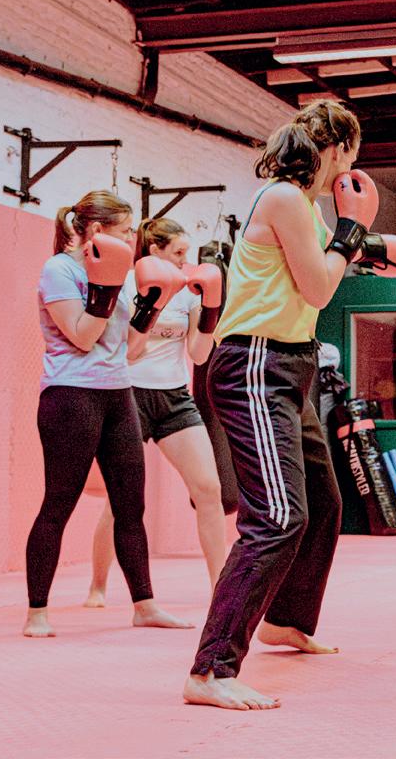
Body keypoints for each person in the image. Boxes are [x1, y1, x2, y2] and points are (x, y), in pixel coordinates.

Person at [183, 100, 396, 711]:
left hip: (291, 364)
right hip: (255, 365)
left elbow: (316, 267)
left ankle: (285, 619)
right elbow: (317, 287)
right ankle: (210, 669)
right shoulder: (286, 198)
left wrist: (371, 247)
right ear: (339, 152)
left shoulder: (304, 209)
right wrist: (353, 231)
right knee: (277, 516)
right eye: (353, 158)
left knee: (323, 501)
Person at [25, 190, 193, 638]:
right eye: (125, 231)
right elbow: (82, 337)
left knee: (131, 506)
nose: (132, 240)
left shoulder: (119, 273)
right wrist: (105, 287)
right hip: (70, 395)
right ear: (97, 231)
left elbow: (131, 350)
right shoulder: (59, 270)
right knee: (58, 503)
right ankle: (37, 612)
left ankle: (145, 605)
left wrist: (151, 306)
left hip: (118, 394)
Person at [83, 217, 227, 607]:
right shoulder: (127, 283)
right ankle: (98, 586)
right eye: (178, 252)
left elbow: (199, 355)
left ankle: (222, 588)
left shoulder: (190, 292)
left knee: (209, 490)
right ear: (154, 251)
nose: (185, 260)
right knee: (120, 499)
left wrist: (210, 310)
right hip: (128, 394)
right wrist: (153, 304)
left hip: (175, 398)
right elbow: (128, 352)